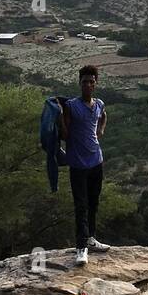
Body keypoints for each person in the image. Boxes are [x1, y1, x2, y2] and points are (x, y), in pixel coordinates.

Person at [58, 64, 112, 265]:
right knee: (80, 205)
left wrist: (101, 130)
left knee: (93, 202)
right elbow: (64, 135)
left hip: (96, 161)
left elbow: (104, 116)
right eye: (84, 82)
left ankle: (91, 238)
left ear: (96, 84)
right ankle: (81, 248)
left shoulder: (99, 104)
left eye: (91, 82)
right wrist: (60, 119)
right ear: (79, 84)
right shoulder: (71, 106)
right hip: (78, 165)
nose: (88, 85)